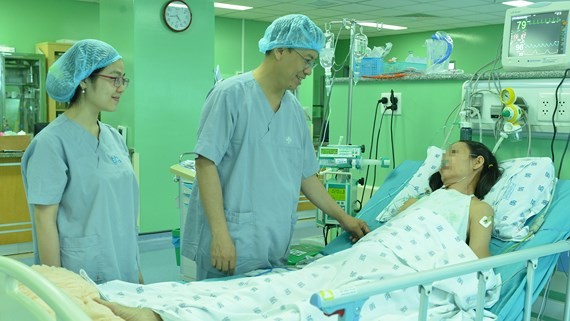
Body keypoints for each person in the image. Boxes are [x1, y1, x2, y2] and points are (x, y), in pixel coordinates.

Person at [96, 140, 503, 321]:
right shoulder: (418, 201)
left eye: (454, 153)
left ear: (478, 164)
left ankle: (165, 316)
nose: (445, 159)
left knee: (307, 303)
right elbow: (388, 231)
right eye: (445, 153)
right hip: (366, 255)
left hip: (405, 269)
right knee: (278, 288)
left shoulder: (478, 209)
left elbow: (476, 264)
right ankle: (164, 304)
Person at [182, 14, 370, 280]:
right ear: (280, 50)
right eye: (307, 60)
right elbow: (205, 163)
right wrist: (220, 234)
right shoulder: (230, 95)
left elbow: (307, 176)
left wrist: (343, 218)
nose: (308, 70)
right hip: (232, 239)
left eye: (312, 64)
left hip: (274, 240)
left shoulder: (293, 110)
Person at [21, 39, 142, 284]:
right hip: (80, 274)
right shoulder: (51, 144)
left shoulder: (113, 138)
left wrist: (135, 269)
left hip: (123, 265)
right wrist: (60, 289)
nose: (121, 87)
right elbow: (45, 222)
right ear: (84, 79)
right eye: (113, 78)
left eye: (123, 79)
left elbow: (123, 214)